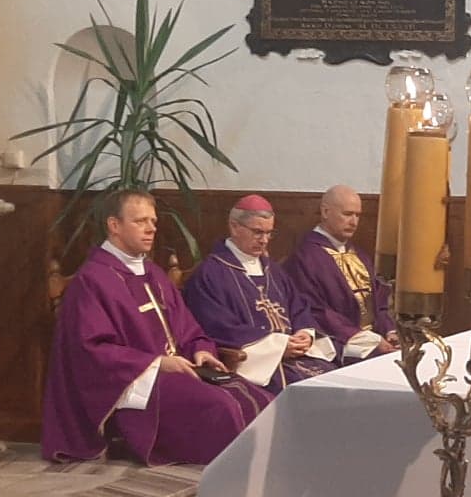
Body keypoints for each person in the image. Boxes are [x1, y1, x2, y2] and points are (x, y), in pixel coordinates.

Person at [40, 190, 271, 466]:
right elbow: (90, 350)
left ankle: (265, 467)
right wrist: (158, 363)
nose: (151, 229)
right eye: (140, 221)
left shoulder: (153, 274)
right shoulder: (93, 280)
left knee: (260, 399)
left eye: (153, 221)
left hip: (180, 369)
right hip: (135, 383)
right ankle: (242, 471)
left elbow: (187, 327)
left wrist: (201, 350)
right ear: (114, 225)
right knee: (222, 406)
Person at [181, 196, 337, 394]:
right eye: (257, 232)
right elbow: (218, 327)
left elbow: (298, 307)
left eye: (269, 233)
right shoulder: (210, 274)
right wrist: (278, 346)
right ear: (234, 227)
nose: (264, 240)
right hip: (258, 365)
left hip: (294, 356)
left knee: (336, 382)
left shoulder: (274, 270)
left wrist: (305, 333)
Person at [284, 185, 400, 361]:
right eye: (347, 214)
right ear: (325, 212)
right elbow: (315, 310)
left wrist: (389, 331)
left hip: (375, 340)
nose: (354, 222)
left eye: (357, 215)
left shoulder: (359, 254)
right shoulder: (305, 258)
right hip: (337, 343)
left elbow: (379, 301)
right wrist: (369, 340)